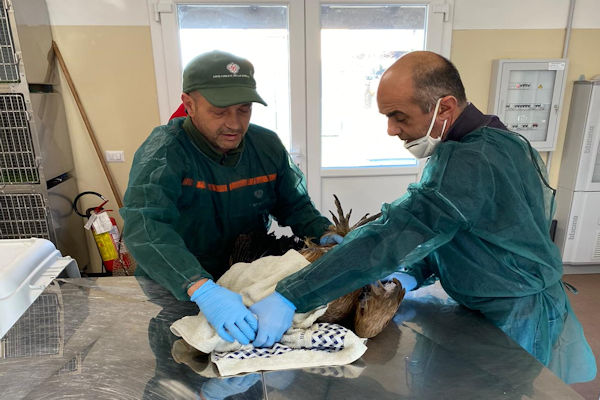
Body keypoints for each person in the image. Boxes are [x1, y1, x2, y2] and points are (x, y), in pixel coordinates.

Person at [249, 51, 597, 384]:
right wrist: (414, 270)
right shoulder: (499, 141)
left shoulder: (470, 160)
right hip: (507, 301)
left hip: (514, 315)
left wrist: (292, 295)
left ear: (444, 107)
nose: (391, 129)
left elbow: (396, 232)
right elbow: (464, 228)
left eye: (399, 116)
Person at [120, 50, 340, 347]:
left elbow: (295, 205)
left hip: (244, 274)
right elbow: (146, 227)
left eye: (244, 109)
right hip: (176, 282)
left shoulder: (266, 146)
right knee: (183, 353)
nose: (235, 124)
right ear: (189, 105)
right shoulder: (164, 152)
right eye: (219, 111)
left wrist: (324, 233)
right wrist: (200, 288)